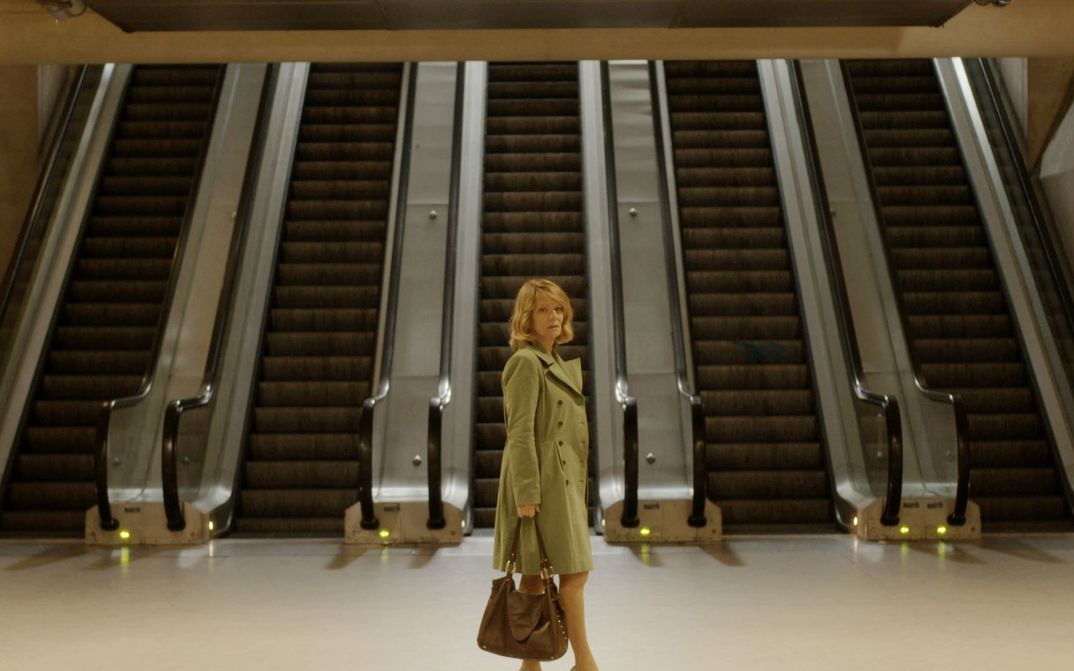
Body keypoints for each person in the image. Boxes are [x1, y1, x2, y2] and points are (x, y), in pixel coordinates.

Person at [492, 278, 599, 671]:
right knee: (570, 571)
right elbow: (518, 432)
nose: (553, 317)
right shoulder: (525, 363)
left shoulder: (554, 361)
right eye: (543, 310)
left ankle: (530, 666)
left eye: (558, 309)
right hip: (542, 483)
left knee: (539, 575)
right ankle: (584, 662)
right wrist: (526, 492)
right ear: (527, 318)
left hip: (562, 479)